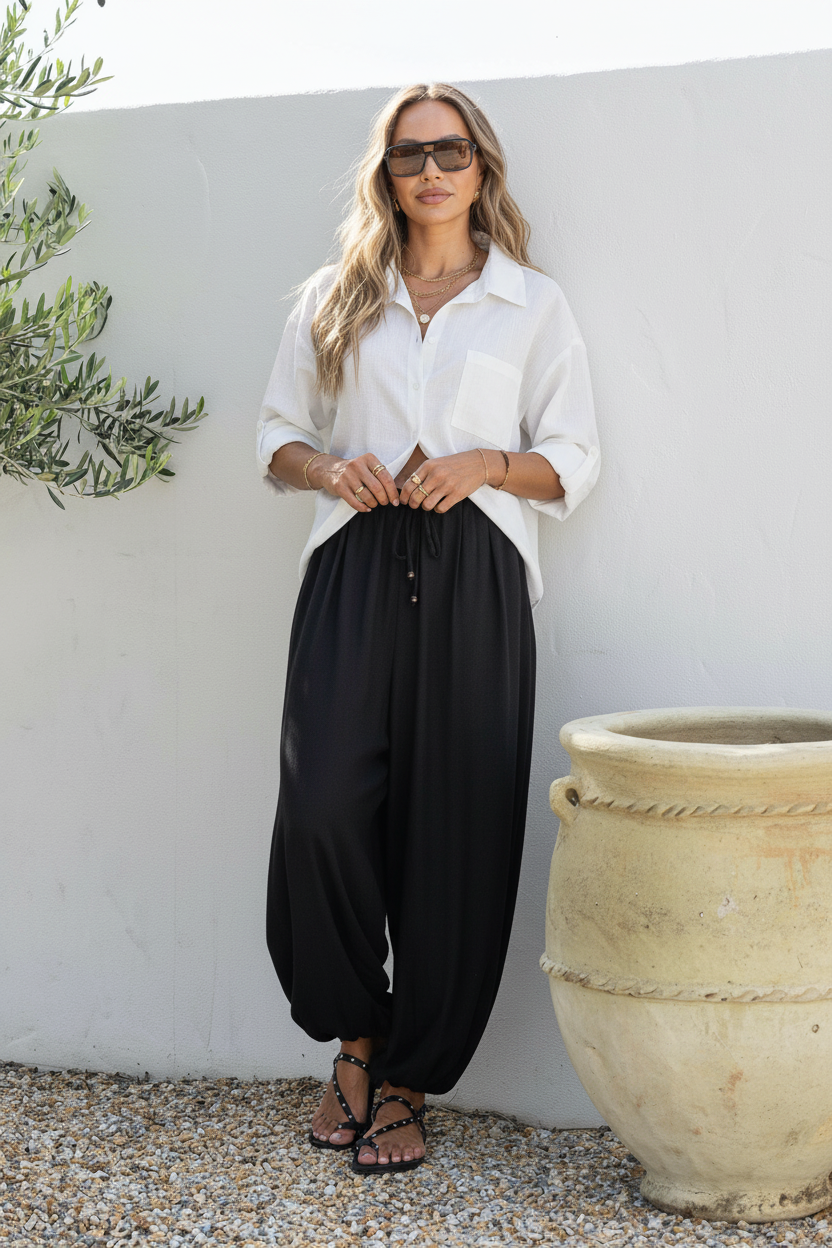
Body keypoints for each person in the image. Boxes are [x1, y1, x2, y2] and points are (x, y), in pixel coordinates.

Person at [256, 82, 600, 1175]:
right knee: (322, 808)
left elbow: (575, 457)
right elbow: (277, 438)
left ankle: (407, 1076)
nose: (432, 171)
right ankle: (355, 1037)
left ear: (480, 166)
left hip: (474, 574)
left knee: (457, 825)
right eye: (410, 155)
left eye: (451, 151)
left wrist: (485, 463)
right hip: (352, 562)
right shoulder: (334, 296)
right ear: (387, 175)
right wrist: (329, 469)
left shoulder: (529, 304)